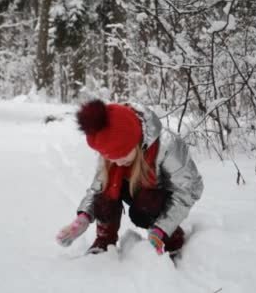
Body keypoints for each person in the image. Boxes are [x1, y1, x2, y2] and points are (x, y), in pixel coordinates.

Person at [56, 99, 204, 257]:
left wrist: (161, 228)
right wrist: (83, 218)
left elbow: (189, 189)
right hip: (135, 189)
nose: (117, 163)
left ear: (135, 142)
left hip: (160, 197)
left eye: (121, 156)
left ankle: (171, 238)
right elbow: (97, 187)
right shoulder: (112, 157)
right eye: (111, 158)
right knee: (105, 194)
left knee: (146, 205)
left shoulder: (168, 145)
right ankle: (104, 241)